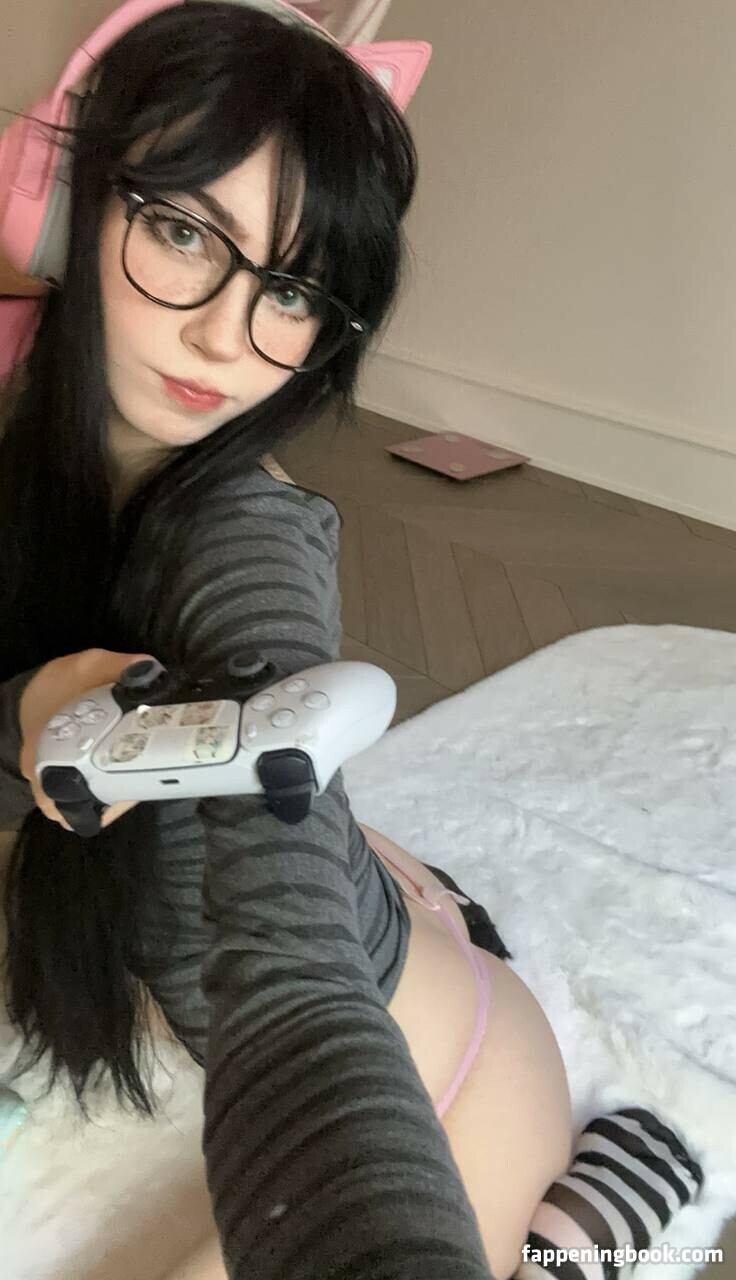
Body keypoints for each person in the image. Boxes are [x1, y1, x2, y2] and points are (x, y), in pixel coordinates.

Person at [0, 4, 704, 1279]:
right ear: (62, 202)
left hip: (453, 1054)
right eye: (182, 230)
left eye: (291, 291)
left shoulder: (246, 531)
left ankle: (606, 1192)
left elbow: (289, 962)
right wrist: (33, 702)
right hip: (382, 891)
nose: (226, 338)